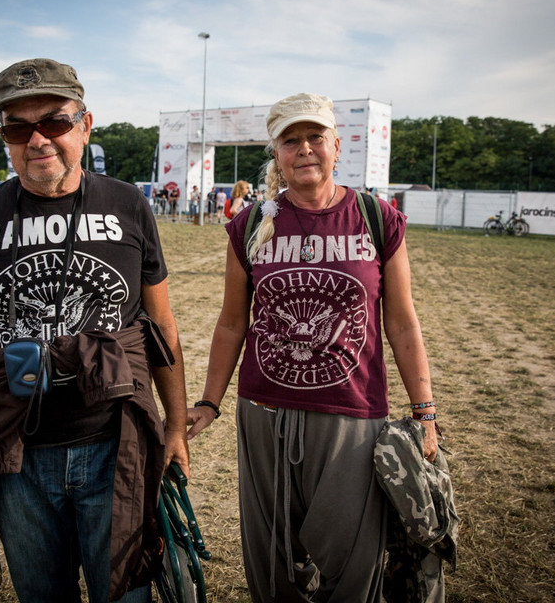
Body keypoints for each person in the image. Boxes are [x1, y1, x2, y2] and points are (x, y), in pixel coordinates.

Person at [0, 58, 190, 603]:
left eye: (55, 121)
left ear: (86, 126)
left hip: (114, 446)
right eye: (18, 127)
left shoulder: (128, 205)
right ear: (4, 137)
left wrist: (177, 429)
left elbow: (161, 326)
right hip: (15, 456)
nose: (38, 139)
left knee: (127, 594)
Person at [186, 92, 438, 602]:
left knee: (352, 562)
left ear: (336, 146)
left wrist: (425, 409)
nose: (304, 149)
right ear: (276, 152)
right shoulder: (251, 223)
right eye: (290, 140)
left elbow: (403, 323)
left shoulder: (376, 217)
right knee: (274, 561)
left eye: (315, 137)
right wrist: (210, 401)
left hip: (353, 413)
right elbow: (233, 323)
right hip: (264, 412)